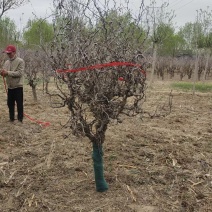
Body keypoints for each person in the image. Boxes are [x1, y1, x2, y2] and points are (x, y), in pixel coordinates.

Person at [0, 45, 25, 123]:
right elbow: (5, 72)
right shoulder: (6, 62)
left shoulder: (20, 61)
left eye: (10, 53)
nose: (8, 55)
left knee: (19, 104)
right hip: (10, 87)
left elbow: (20, 73)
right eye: (7, 53)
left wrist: (7, 72)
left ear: (14, 52)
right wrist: (2, 73)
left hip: (18, 86)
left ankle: (20, 119)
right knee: (10, 104)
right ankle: (11, 119)